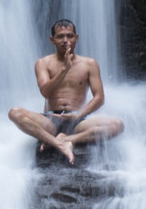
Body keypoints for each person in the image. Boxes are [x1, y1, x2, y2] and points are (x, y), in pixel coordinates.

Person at [8, 18, 124, 166]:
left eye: (69, 36)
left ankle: (67, 139)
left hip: (78, 120)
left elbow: (99, 98)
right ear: (52, 40)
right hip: (50, 119)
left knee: (117, 125)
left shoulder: (89, 64)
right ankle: (56, 142)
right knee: (14, 113)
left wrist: (78, 115)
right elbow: (45, 92)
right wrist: (64, 70)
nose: (65, 40)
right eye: (60, 36)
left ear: (76, 38)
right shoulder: (43, 63)